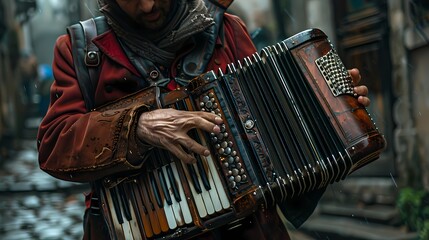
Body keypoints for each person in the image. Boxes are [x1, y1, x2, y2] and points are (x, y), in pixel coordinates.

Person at [36, 0, 371, 239]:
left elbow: (272, 124)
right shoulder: (79, 51)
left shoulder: (226, 30)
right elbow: (54, 144)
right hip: (132, 223)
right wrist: (136, 127)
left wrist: (331, 108)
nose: (149, 6)